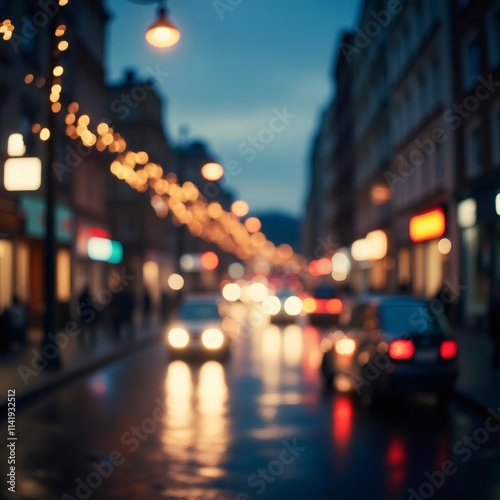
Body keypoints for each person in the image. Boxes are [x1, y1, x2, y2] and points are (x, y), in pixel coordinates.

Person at [489, 287, 500, 369]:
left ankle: (494, 362)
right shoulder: (495, 301)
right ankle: (494, 362)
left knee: (497, 345)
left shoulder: (494, 301)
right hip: (496, 327)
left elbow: (489, 314)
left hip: (495, 327)